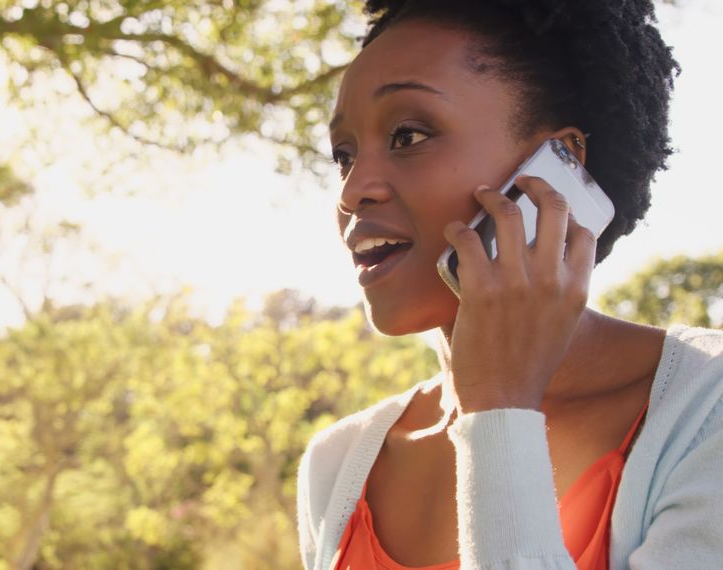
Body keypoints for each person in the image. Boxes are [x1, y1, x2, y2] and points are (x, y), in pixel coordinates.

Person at [295, 1, 723, 569]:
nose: (352, 192)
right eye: (343, 156)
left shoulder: (705, 416)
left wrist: (499, 408)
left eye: (408, 135)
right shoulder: (336, 464)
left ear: (559, 167)